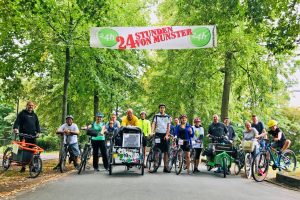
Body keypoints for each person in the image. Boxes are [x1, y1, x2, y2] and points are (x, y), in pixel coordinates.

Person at [13, 101, 41, 172]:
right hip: (23, 135)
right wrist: (15, 128)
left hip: (32, 136)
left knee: (34, 150)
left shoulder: (34, 115)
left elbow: (37, 124)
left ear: (33, 106)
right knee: (24, 150)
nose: (31, 106)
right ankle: (23, 167)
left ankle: (34, 167)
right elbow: (17, 121)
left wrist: (38, 132)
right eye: (29, 105)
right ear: (27, 105)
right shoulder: (22, 113)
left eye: (32, 105)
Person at [151, 104, 171, 173]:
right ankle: (155, 166)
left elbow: (168, 126)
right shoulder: (156, 116)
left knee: (166, 151)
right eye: (161, 108)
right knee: (156, 150)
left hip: (165, 135)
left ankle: (165, 167)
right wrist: (152, 132)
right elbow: (153, 124)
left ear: (165, 109)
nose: (162, 109)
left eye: (163, 108)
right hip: (158, 134)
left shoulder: (167, 117)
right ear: (159, 109)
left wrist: (167, 135)